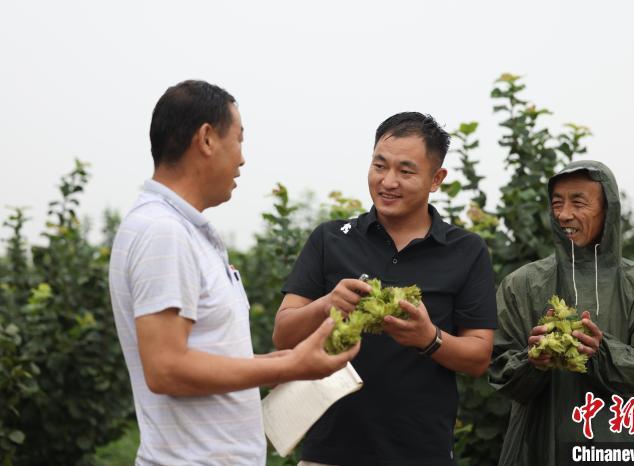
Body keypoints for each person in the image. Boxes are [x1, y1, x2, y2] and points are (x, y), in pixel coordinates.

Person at [108, 80, 359, 466]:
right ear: (207, 139)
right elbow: (166, 369)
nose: (242, 159)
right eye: (239, 140)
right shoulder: (164, 232)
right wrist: (292, 364)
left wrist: (282, 365)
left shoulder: (188, 231)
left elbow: (207, 356)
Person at [273, 112, 498, 466]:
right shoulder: (330, 239)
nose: (388, 181)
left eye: (406, 171)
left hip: (422, 454)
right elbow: (283, 334)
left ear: (436, 178)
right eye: (380, 166)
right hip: (329, 454)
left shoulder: (466, 250)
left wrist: (429, 338)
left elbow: (478, 357)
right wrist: (327, 304)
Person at [488, 160, 634, 465]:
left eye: (578, 202)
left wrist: (602, 352)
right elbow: (499, 370)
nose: (564, 214)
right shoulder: (522, 284)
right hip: (537, 449)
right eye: (557, 203)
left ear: (608, 210)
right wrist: (531, 361)